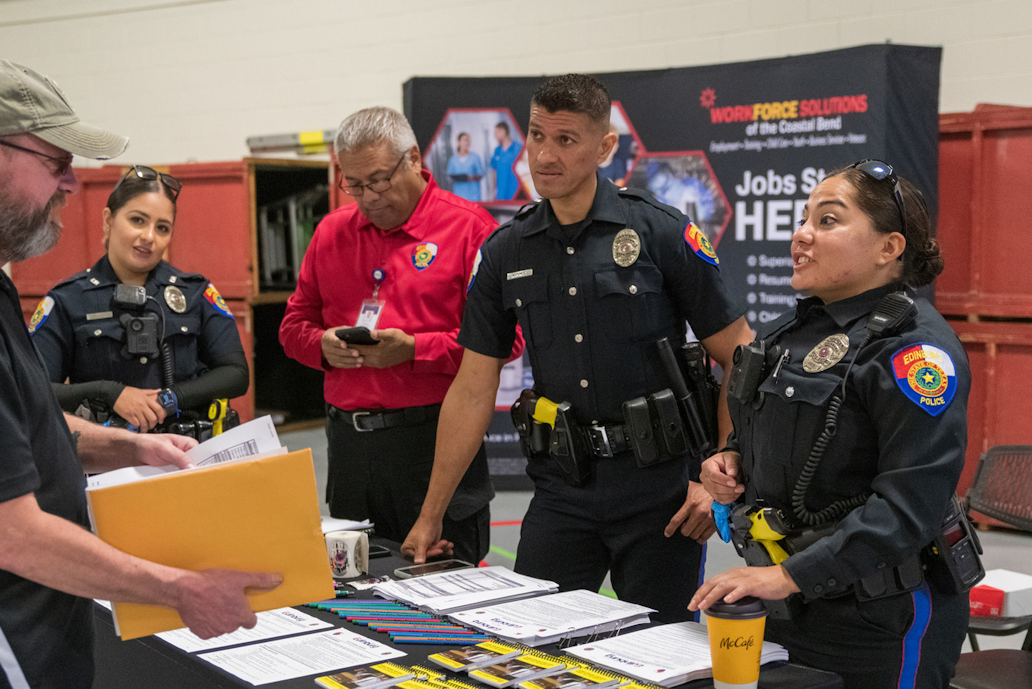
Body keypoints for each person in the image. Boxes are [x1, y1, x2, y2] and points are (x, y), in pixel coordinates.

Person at [0, 57, 278, 688]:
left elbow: (8, 430)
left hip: (21, 634)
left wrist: (127, 445)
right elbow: (14, 537)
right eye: (55, 164)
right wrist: (180, 589)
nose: (71, 185)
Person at [402, 74, 753, 623]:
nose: (544, 154)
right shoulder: (505, 251)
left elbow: (741, 357)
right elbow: (472, 387)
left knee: (662, 659)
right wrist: (431, 514)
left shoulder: (660, 232)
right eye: (537, 135)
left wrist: (716, 479)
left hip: (661, 495)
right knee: (531, 647)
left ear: (605, 147)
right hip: (563, 487)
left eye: (565, 140)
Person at [692, 161, 972, 688]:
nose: (801, 234)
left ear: (889, 248)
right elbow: (760, 439)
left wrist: (788, 575)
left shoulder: (916, 353)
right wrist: (727, 464)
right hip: (785, 605)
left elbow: (909, 508)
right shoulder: (787, 335)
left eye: (827, 221)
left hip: (877, 618)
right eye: (803, 219)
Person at [279, 106, 518, 564]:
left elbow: (509, 341)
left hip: (433, 446)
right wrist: (323, 347)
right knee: (355, 597)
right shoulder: (331, 233)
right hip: (351, 453)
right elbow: (293, 328)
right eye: (353, 184)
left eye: (378, 180)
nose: (367, 196)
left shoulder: (470, 230)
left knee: (448, 597)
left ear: (412, 159)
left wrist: (414, 350)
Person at [30, 165, 248, 436]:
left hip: (190, 455)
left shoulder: (194, 292)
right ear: (108, 221)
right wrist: (109, 393)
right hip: (109, 461)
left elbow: (235, 374)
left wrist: (171, 398)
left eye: (162, 227)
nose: (149, 237)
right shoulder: (68, 300)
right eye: (138, 220)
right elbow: (33, 388)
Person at [447, 131, 485, 201]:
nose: (467, 143)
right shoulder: (453, 160)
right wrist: (462, 177)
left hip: (473, 197)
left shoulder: (475, 158)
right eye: (465, 140)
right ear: (459, 142)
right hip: (459, 197)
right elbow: (450, 177)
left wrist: (469, 177)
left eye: (468, 140)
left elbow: (480, 175)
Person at [490, 122, 522, 201]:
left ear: (503, 132)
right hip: (501, 193)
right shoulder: (497, 151)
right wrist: (494, 191)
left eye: (496, 133)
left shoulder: (518, 148)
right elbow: (494, 171)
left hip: (515, 192)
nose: (495, 136)